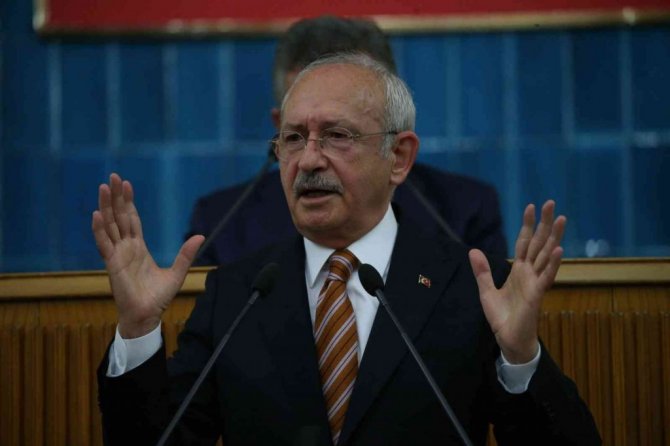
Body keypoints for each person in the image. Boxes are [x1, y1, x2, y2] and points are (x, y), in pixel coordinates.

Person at [94, 53, 600, 445]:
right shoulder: (236, 293)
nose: (308, 160)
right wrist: (137, 330)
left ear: (398, 157)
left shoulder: (469, 288)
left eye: (336, 136)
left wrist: (520, 358)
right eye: (293, 139)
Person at [188, 16, 508, 266]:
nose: (310, 159)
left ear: (397, 143)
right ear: (279, 125)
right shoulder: (221, 226)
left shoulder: (462, 215)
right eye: (296, 133)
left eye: (338, 133)